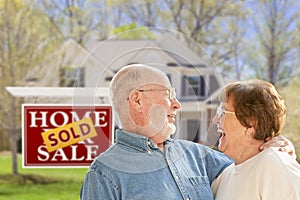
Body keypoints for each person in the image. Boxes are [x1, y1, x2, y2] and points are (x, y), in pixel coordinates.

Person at [80, 64, 295, 200]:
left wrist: (275, 143)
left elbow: (249, 163)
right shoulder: (104, 175)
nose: (177, 104)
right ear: (138, 99)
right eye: (168, 94)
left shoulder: (197, 156)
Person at [211, 79, 300, 200]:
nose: (215, 119)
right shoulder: (225, 175)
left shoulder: (274, 166)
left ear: (251, 123)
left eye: (222, 112)